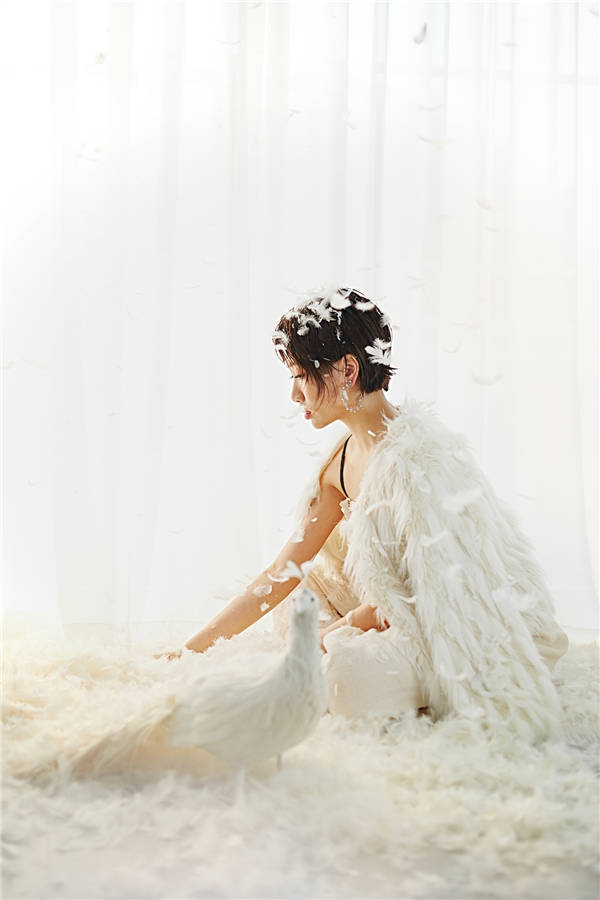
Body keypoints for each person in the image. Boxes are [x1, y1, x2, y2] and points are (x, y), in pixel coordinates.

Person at [157, 287, 569, 741]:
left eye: (300, 376)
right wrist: (190, 650)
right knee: (297, 602)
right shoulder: (340, 461)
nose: (294, 395)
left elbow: (436, 590)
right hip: (386, 607)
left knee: (342, 679)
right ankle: (355, 649)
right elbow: (283, 572)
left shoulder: (420, 460)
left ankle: (366, 659)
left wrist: (340, 630)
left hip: (458, 619)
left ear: (347, 370)